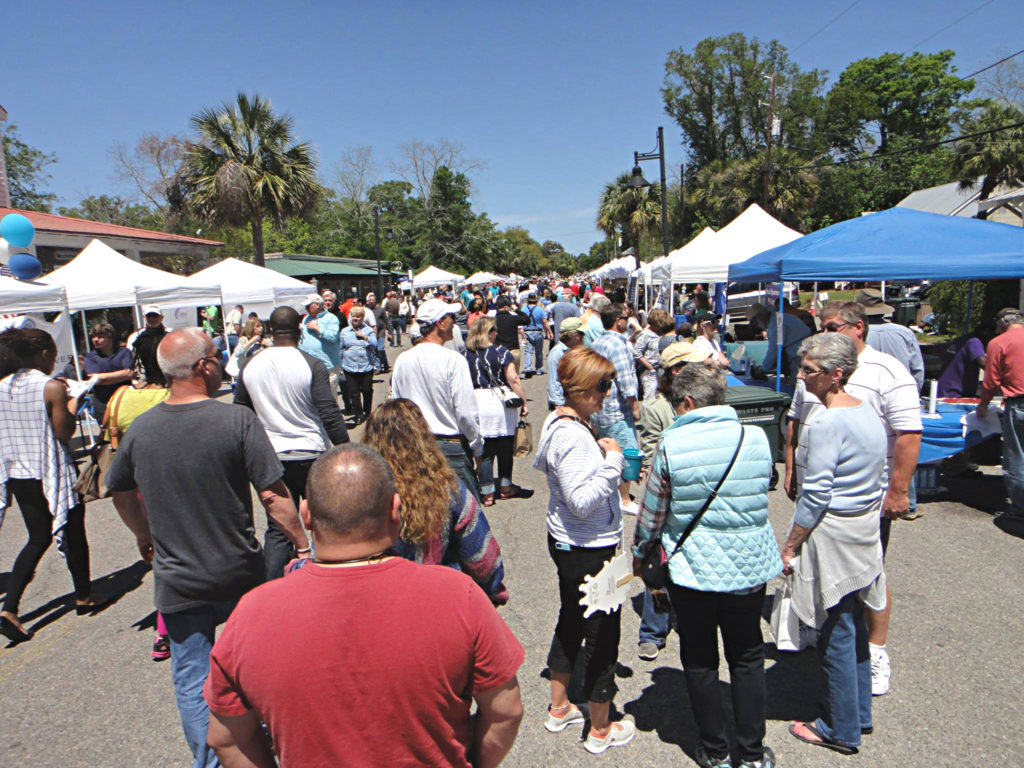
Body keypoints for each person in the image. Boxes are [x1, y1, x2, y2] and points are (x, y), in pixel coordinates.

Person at [203, 444, 524, 767]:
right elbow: (506, 710)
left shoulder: (251, 614)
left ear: (307, 515)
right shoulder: (459, 596)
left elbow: (226, 738)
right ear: (395, 509)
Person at [107, 328, 310, 768]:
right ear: (203, 367)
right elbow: (272, 495)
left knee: (191, 676)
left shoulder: (141, 430)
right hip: (238, 570)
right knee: (252, 667)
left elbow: (119, 491)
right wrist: (302, 545)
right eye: (217, 357)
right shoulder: (235, 421)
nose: (221, 365)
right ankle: (260, 747)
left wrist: (144, 535)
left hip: (178, 578)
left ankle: (211, 760)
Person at [632, 364, 780, 768]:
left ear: (688, 403)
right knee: (747, 656)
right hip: (749, 564)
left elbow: (652, 515)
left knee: (699, 658)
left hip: (693, 566)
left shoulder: (671, 445)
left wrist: (640, 551)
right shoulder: (755, 437)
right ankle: (751, 753)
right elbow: (764, 483)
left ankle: (715, 750)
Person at [785, 301, 921, 698]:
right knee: (821, 567)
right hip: (818, 489)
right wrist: (792, 465)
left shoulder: (887, 370)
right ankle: (820, 626)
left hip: (858, 497)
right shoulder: (813, 365)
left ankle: (873, 651)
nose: (822, 331)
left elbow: (909, 433)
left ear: (858, 327)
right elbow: (797, 418)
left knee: (867, 573)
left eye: (831, 326)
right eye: (819, 325)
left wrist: (898, 490)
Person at [782, 333, 888, 756]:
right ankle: (856, 712)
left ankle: (840, 727)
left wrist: (790, 544)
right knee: (852, 624)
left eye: (810, 370)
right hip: (863, 529)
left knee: (837, 631)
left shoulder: (827, 421)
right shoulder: (868, 412)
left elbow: (816, 494)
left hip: (836, 532)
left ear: (836, 375)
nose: (801, 376)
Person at [534, 346, 635, 754]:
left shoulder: (560, 420)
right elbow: (580, 499)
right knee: (603, 634)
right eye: (603, 386)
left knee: (572, 618)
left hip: (569, 541)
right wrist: (613, 461)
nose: (608, 393)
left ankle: (560, 707)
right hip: (591, 547)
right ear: (583, 388)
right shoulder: (574, 435)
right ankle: (600, 727)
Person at [0, 329, 107, 643]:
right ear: (44, 354)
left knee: (37, 537)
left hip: (19, 470)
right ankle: (84, 595)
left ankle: (11, 605)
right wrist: (73, 402)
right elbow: (63, 432)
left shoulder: (2, 386)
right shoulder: (51, 386)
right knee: (73, 530)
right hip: (51, 467)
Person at [233, 307, 349, 578]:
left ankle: (271, 588)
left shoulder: (251, 364)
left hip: (271, 457)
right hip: (312, 453)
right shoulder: (310, 363)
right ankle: (327, 577)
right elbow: (329, 412)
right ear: (299, 331)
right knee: (323, 521)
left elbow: (241, 411)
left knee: (280, 527)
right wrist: (346, 448)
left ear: (270, 332)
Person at [362, 399, 508, 603]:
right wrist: (493, 590)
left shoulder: (361, 494)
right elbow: (481, 556)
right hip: (438, 600)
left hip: (380, 605)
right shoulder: (448, 488)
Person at [633, 341, 713, 660]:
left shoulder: (706, 401)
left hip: (700, 495)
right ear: (678, 370)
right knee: (658, 568)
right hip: (668, 495)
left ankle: (684, 617)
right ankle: (654, 629)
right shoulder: (658, 409)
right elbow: (652, 457)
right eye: (697, 365)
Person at [391, 298, 484, 499]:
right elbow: (466, 412)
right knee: (465, 518)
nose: (454, 321)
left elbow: (396, 408)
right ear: (439, 323)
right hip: (450, 446)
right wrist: (477, 446)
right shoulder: (454, 360)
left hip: (416, 445)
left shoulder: (403, 360)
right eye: (451, 317)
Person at [462, 316, 529, 505]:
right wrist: (523, 401)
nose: (497, 334)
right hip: (500, 402)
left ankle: (487, 493)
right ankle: (506, 487)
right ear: (489, 332)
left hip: (476, 401)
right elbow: (513, 378)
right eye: (494, 331)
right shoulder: (500, 352)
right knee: (506, 446)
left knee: (486, 450)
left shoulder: (465, 354)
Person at [592, 303, 641, 515]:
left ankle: (611, 494)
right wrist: (635, 407)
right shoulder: (618, 345)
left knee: (606, 452)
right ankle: (624, 499)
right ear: (618, 321)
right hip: (617, 410)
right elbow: (626, 380)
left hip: (599, 408)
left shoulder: (596, 342)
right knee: (627, 453)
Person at [977, 308, 1024, 531]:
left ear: (1002, 323)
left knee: (1017, 458)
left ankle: (1019, 510)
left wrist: (983, 406)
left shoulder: (998, 342)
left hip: (1018, 403)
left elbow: (990, 380)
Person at [857, 289, 924, 391]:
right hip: (900, 391)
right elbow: (917, 370)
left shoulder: (855, 334)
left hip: (865, 392)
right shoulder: (905, 333)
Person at [82, 322, 133, 422]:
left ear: (110, 337)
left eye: (100, 336)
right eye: (94, 337)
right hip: (102, 402)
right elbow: (95, 379)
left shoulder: (124, 352)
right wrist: (122, 375)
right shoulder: (90, 357)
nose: (96, 339)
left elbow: (130, 373)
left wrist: (102, 377)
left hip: (125, 399)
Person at [339, 305, 378, 425]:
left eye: (358, 316)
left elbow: (375, 344)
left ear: (362, 318)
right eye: (353, 316)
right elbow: (340, 348)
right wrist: (340, 365)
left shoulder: (368, 330)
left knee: (367, 390)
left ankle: (367, 411)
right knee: (353, 392)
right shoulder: (345, 331)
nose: (355, 319)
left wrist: (364, 337)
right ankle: (358, 414)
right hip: (349, 366)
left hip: (365, 366)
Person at [748, 302, 811, 375]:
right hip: (799, 351)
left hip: (799, 354)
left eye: (756, 321)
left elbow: (774, 349)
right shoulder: (777, 319)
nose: (758, 324)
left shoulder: (776, 324)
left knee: (797, 381)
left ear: (761, 316)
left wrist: (764, 368)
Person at [937, 321, 992, 398]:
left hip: (945, 389)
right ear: (986, 332)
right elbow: (983, 362)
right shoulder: (974, 341)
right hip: (954, 393)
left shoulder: (962, 339)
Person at [633, 308, 672, 401]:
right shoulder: (646, 334)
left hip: (661, 370)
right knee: (650, 397)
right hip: (649, 371)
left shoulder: (661, 334)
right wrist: (650, 367)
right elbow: (636, 352)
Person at [547, 317, 585, 410]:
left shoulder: (578, 349)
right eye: (580, 333)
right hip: (563, 403)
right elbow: (553, 381)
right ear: (570, 335)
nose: (583, 336)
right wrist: (558, 404)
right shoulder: (557, 353)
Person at [299, 292, 341, 372]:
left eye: (308, 306)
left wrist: (317, 328)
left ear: (318, 305)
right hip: (310, 365)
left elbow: (333, 337)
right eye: (305, 307)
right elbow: (303, 338)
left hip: (328, 366)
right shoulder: (306, 318)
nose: (306, 309)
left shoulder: (331, 318)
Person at [127, 305, 167, 384]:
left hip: (166, 378)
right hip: (143, 379)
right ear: (144, 317)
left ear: (162, 317)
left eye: (155, 315)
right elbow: (131, 358)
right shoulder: (135, 337)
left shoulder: (170, 334)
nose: (152, 318)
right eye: (149, 316)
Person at [494, 294, 529, 374]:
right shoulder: (513, 319)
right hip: (513, 351)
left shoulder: (493, 320)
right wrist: (516, 309)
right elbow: (526, 319)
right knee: (514, 377)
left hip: (499, 352)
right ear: (506, 307)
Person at [521, 294, 550, 378]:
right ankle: (539, 369)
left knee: (528, 351)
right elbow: (544, 321)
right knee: (539, 352)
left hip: (527, 331)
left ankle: (527, 368)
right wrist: (549, 331)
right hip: (538, 331)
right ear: (536, 301)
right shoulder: (540, 309)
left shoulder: (523, 309)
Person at [547, 287, 581, 355]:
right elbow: (578, 321)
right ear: (569, 296)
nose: (573, 297)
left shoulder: (555, 306)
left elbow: (553, 318)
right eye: (572, 296)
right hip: (570, 338)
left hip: (558, 335)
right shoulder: (574, 307)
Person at [365, 293, 390, 372]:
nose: (371, 302)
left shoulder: (381, 310)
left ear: (376, 301)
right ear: (368, 301)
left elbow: (386, 321)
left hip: (380, 331)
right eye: (370, 300)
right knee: (374, 350)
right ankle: (378, 368)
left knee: (380, 349)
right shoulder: (367, 311)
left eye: (373, 300)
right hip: (371, 332)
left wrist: (390, 332)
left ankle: (385, 364)